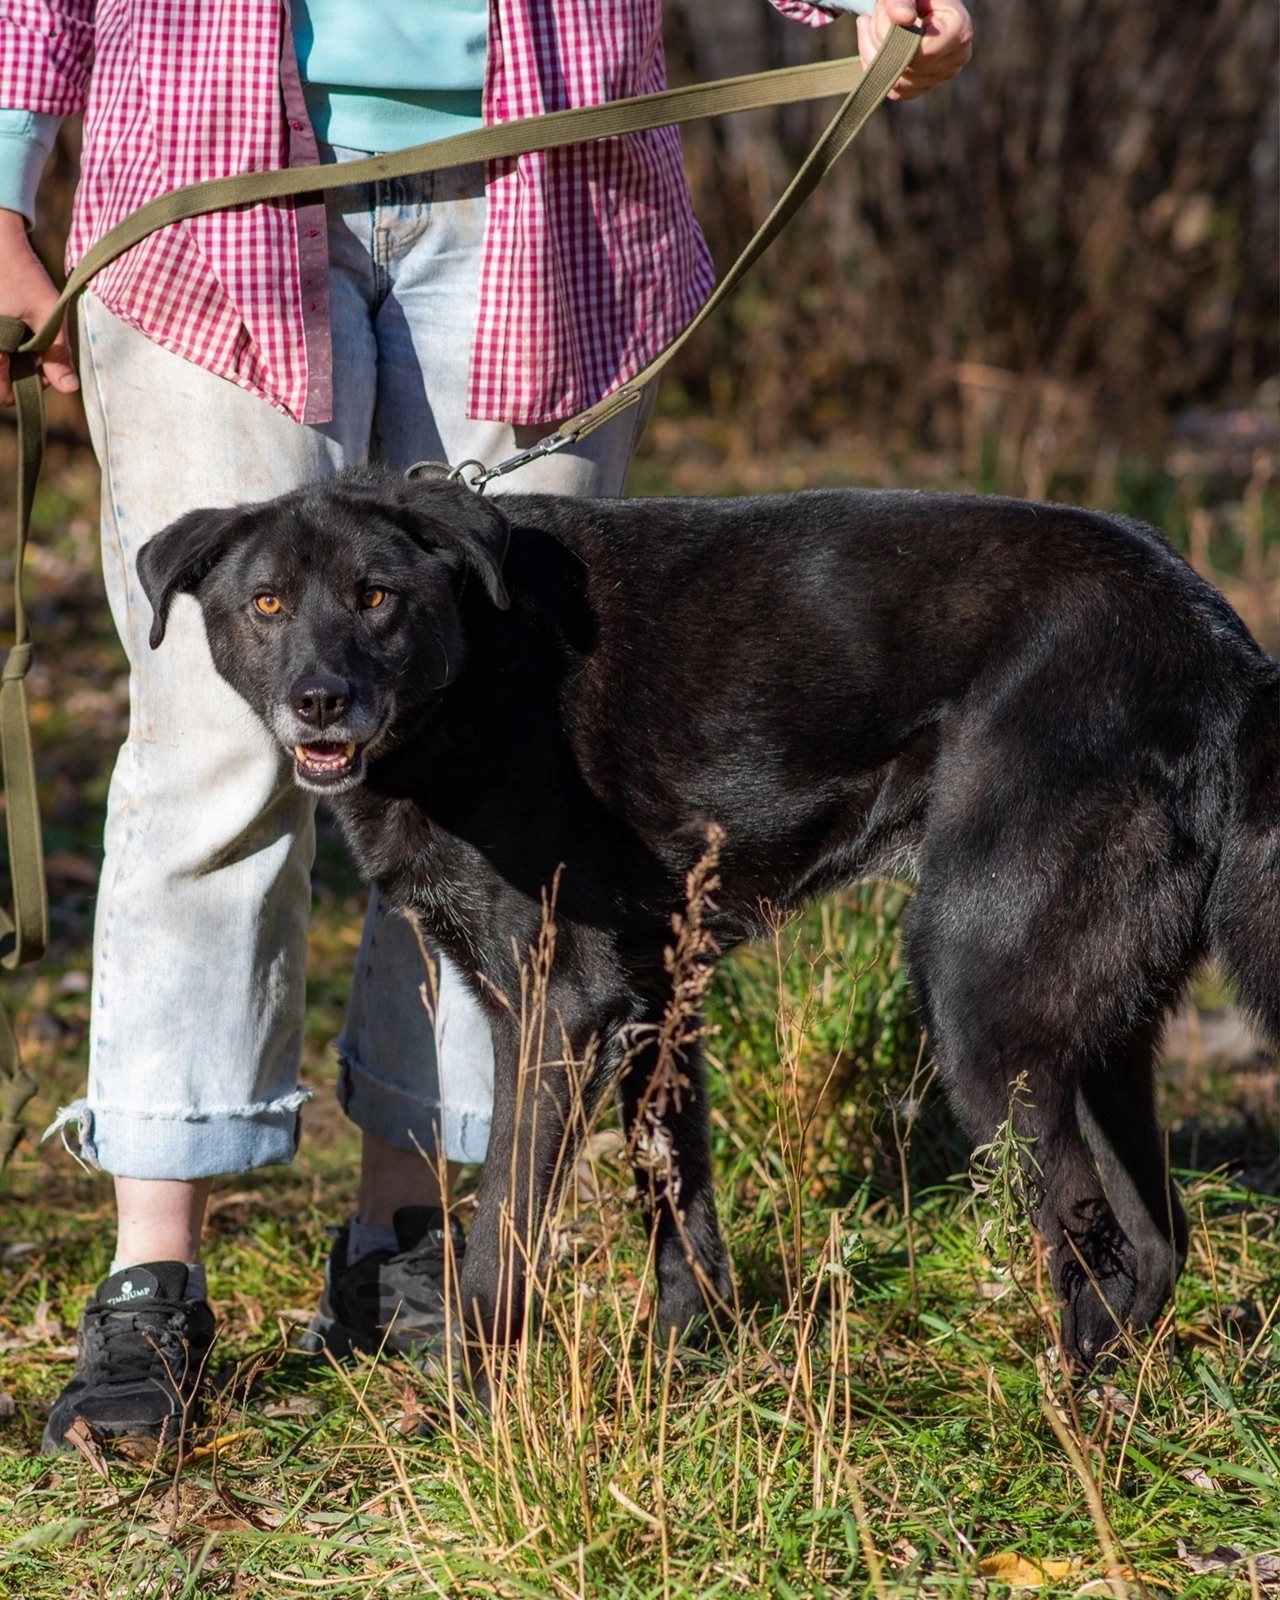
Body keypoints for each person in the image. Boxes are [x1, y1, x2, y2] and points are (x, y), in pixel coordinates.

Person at [0, 0, 972, 1453]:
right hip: (206, 185)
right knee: (212, 757)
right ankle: (155, 1273)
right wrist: (3, 177)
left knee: (505, 772)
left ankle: (406, 1236)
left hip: (548, 192)